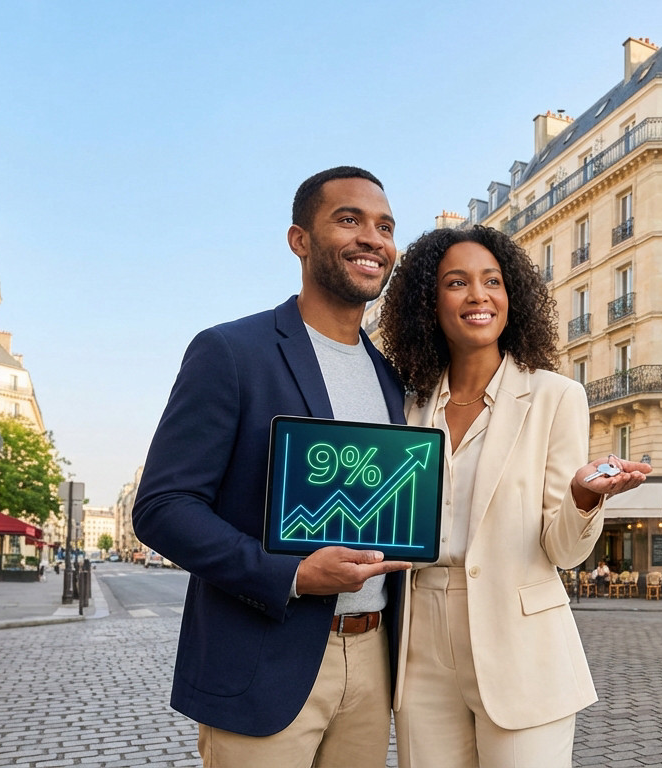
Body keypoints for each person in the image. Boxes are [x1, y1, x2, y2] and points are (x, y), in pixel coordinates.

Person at [132, 166, 411, 768]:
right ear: (299, 240)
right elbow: (162, 508)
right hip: (263, 662)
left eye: (385, 226)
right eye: (349, 220)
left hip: (373, 665)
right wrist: (290, 575)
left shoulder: (396, 380)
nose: (373, 238)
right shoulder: (231, 351)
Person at [379, 225, 650, 768]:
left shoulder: (556, 397)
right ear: (429, 303)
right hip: (421, 642)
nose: (478, 295)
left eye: (492, 281)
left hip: (523, 645)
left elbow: (565, 551)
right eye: (457, 282)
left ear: (512, 298)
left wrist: (581, 497)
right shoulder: (407, 410)